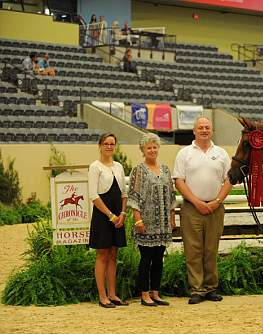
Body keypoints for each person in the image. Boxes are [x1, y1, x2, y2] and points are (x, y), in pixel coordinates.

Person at [173, 116, 233, 304]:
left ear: (212, 130)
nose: (204, 130)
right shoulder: (184, 153)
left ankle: (210, 288)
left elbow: (229, 180)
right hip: (192, 208)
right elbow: (179, 180)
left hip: (215, 208)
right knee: (193, 250)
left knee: (211, 249)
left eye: (207, 127)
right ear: (194, 130)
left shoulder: (221, 153)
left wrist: (217, 201)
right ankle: (197, 289)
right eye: (201, 127)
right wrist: (196, 201)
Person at [128, 133, 176, 307]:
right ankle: (144, 294)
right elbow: (133, 196)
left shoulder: (165, 169)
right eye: (149, 147)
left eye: (155, 147)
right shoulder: (138, 170)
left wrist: (172, 217)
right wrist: (138, 220)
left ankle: (156, 292)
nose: (152, 150)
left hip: (163, 223)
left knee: (158, 259)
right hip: (146, 223)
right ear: (143, 150)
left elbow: (171, 194)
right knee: (145, 260)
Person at [88, 133, 128, 308]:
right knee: (102, 254)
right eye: (106, 143)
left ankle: (112, 294)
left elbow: (124, 193)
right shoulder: (95, 167)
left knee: (113, 254)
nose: (109, 146)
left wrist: (122, 214)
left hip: (118, 216)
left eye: (112, 143)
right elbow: (93, 195)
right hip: (102, 216)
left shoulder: (119, 166)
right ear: (100, 146)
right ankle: (102, 296)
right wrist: (110, 215)